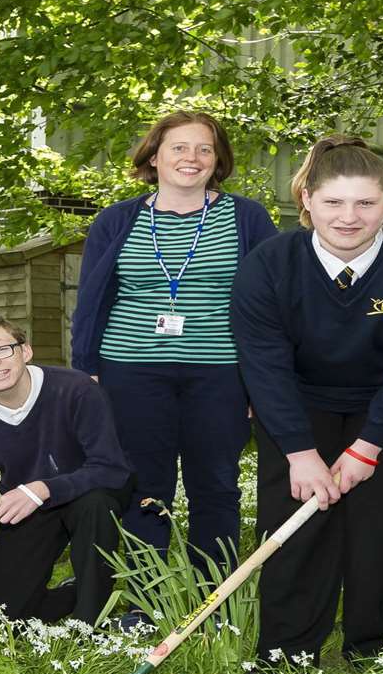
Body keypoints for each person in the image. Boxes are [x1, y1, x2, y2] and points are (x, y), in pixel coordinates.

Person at [232, 134, 383, 664]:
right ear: (307, 200)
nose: (348, 217)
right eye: (333, 202)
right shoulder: (268, 266)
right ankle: (289, 650)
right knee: (296, 523)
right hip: (296, 403)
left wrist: (369, 446)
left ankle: (379, 649)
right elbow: (264, 365)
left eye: (365, 203)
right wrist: (298, 451)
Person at [68, 111, 280, 572]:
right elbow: (92, 298)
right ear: (155, 156)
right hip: (130, 370)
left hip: (221, 373)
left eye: (205, 148)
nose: (192, 158)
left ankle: (213, 598)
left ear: (218, 159)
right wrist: (87, 369)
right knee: (144, 486)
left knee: (217, 484)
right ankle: (149, 598)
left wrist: (262, 383)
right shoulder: (117, 220)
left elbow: (273, 303)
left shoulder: (247, 217)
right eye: (179, 148)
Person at [0, 311, 134, 623]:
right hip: (30, 505)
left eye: (0, 349)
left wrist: (43, 488)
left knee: (95, 505)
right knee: (7, 617)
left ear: (25, 351)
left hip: (91, 492)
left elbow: (111, 467)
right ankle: (74, 592)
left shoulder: (76, 389)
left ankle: (89, 621)